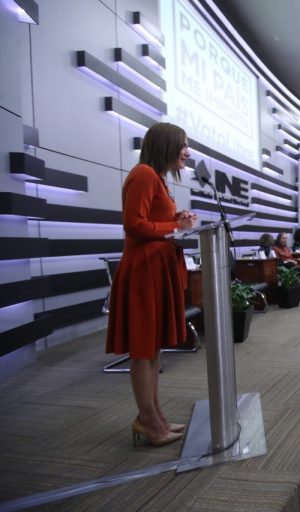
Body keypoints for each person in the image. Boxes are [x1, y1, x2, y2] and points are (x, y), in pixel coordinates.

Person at [106, 123, 196, 447]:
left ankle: (155, 415)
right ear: (166, 145)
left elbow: (153, 221)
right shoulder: (143, 174)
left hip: (155, 271)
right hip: (143, 273)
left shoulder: (156, 177)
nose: (187, 152)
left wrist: (177, 221)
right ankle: (147, 420)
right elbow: (134, 224)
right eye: (183, 145)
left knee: (153, 348)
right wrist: (174, 226)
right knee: (143, 350)